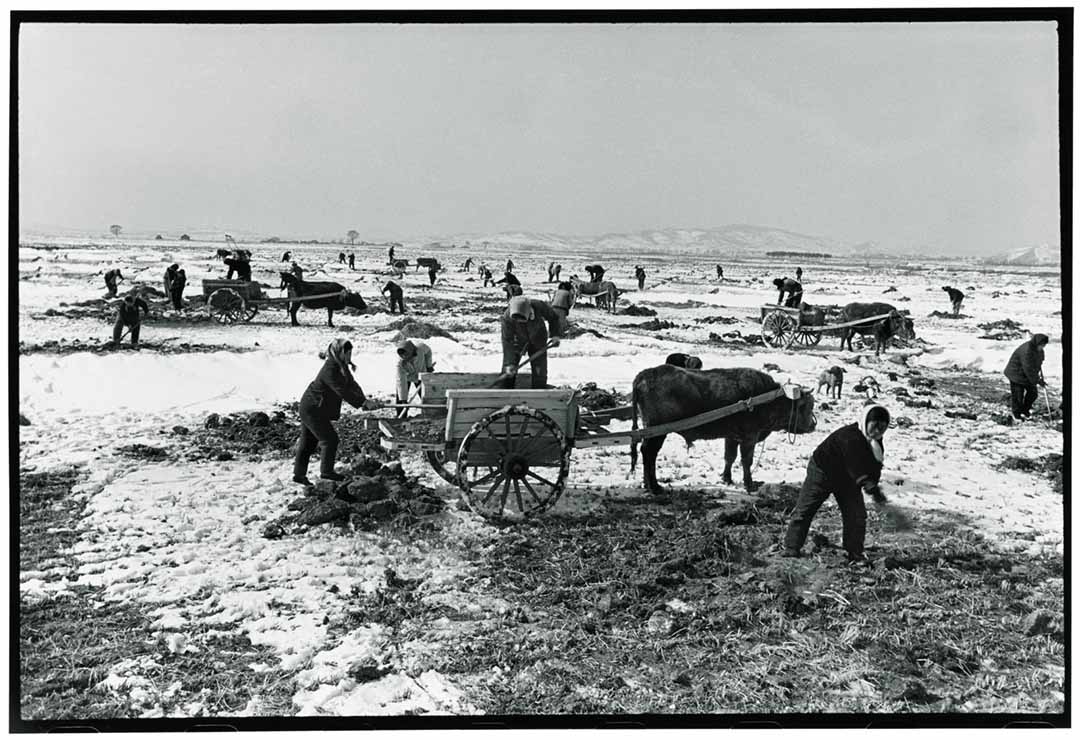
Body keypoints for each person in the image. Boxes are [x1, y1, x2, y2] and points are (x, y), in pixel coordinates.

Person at [783, 405, 892, 564]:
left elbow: (875, 465)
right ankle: (792, 547)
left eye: (882, 428)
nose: (877, 432)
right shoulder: (849, 436)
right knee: (805, 509)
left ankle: (854, 552)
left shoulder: (875, 444)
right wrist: (866, 482)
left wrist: (874, 486)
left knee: (856, 515)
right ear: (865, 421)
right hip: (822, 472)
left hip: (848, 479)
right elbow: (854, 463)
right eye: (875, 426)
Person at [293, 339, 368, 485]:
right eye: (347, 353)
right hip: (312, 408)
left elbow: (352, 385)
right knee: (330, 439)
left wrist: (364, 400)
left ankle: (299, 475)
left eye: (350, 353)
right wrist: (361, 403)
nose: (349, 356)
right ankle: (326, 473)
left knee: (308, 442)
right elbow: (342, 390)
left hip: (315, 407)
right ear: (339, 353)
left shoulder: (341, 366)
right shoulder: (330, 369)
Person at [499, 295, 563, 389]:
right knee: (508, 373)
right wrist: (509, 362)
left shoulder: (539, 305)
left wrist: (555, 335)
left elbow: (553, 317)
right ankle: (505, 397)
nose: (521, 322)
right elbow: (507, 340)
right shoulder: (507, 317)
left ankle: (538, 396)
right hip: (518, 341)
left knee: (540, 372)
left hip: (538, 338)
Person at [1004, 333, 1049, 420]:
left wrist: (1038, 373)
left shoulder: (1039, 350)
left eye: (1044, 345)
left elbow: (1039, 362)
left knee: (1033, 394)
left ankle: (1025, 410)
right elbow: (1028, 369)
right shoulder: (1027, 351)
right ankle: (1016, 414)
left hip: (1026, 374)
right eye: (1042, 345)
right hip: (1016, 373)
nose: (1043, 347)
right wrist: (1038, 380)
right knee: (1018, 396)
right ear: (1037, 343)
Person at [394, 339, 435, 418]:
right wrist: (404, 399)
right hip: (407, 377)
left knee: (426, 396)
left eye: (406, 354)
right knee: (400, 399)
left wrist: (428, 366)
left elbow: (428, 352)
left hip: (421, 375)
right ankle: (401, 417)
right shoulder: (400, 363)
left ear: (411, 351)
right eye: (402, 355)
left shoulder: (421, 348)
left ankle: (430, 415)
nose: (404, 357)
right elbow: (401, 381)